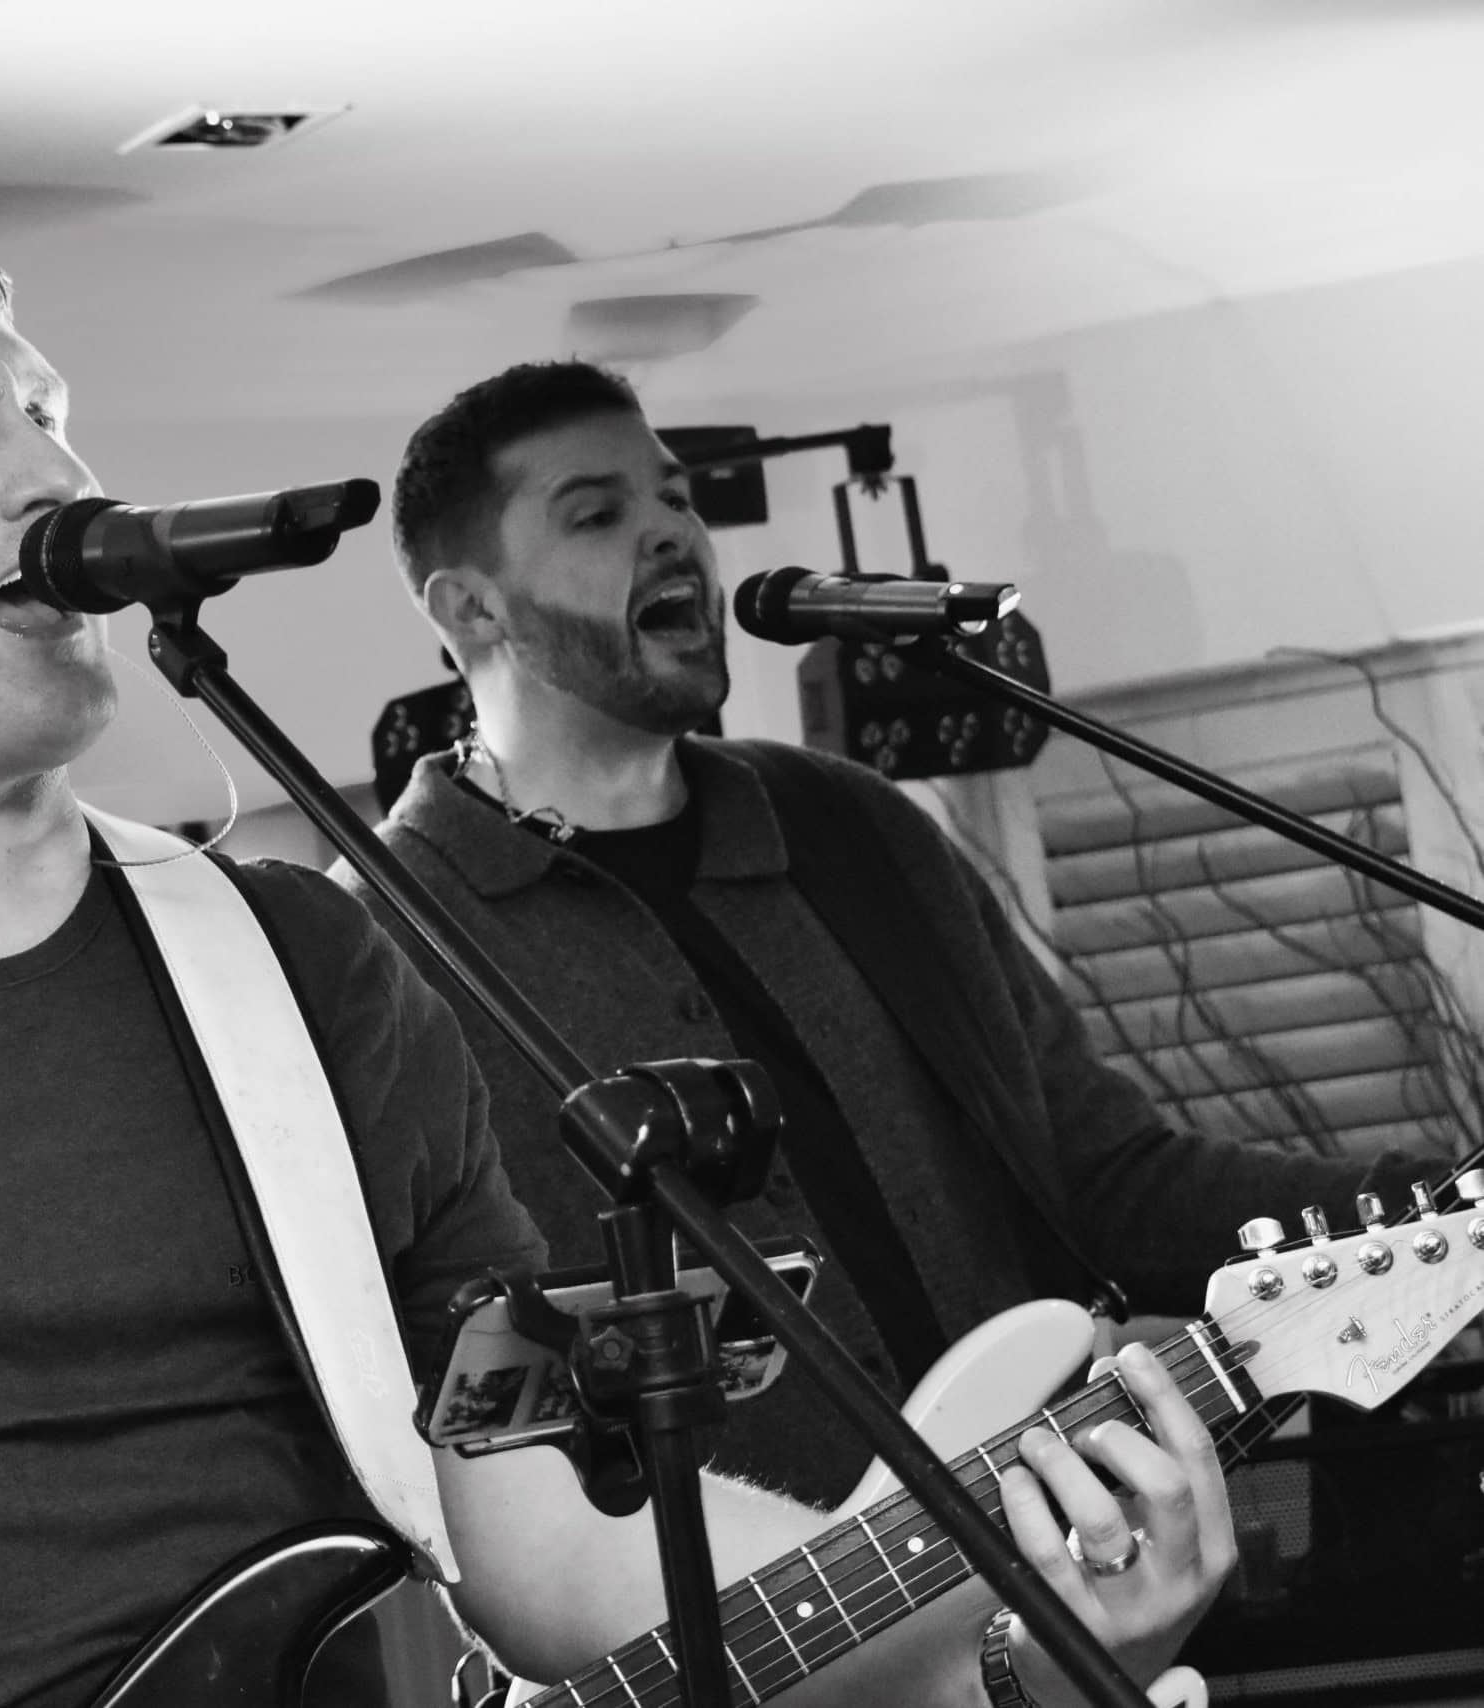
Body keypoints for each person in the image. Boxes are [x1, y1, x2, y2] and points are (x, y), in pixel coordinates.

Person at [0, 227, 1231, 1708]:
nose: (51, 475)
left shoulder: (296, 964)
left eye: (46, 414)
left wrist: (996, 1604)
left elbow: (540, 1545)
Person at [342, 359, 1421, 1515]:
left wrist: (1423, 1208)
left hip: (1059, 1552)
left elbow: (1102, 1175)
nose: (671, 533)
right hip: (747, 1614)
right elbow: (412, 1387)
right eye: (597, 514)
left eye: (676, 496)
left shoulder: (849, 825)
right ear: (471, 608)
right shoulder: (378, 947)